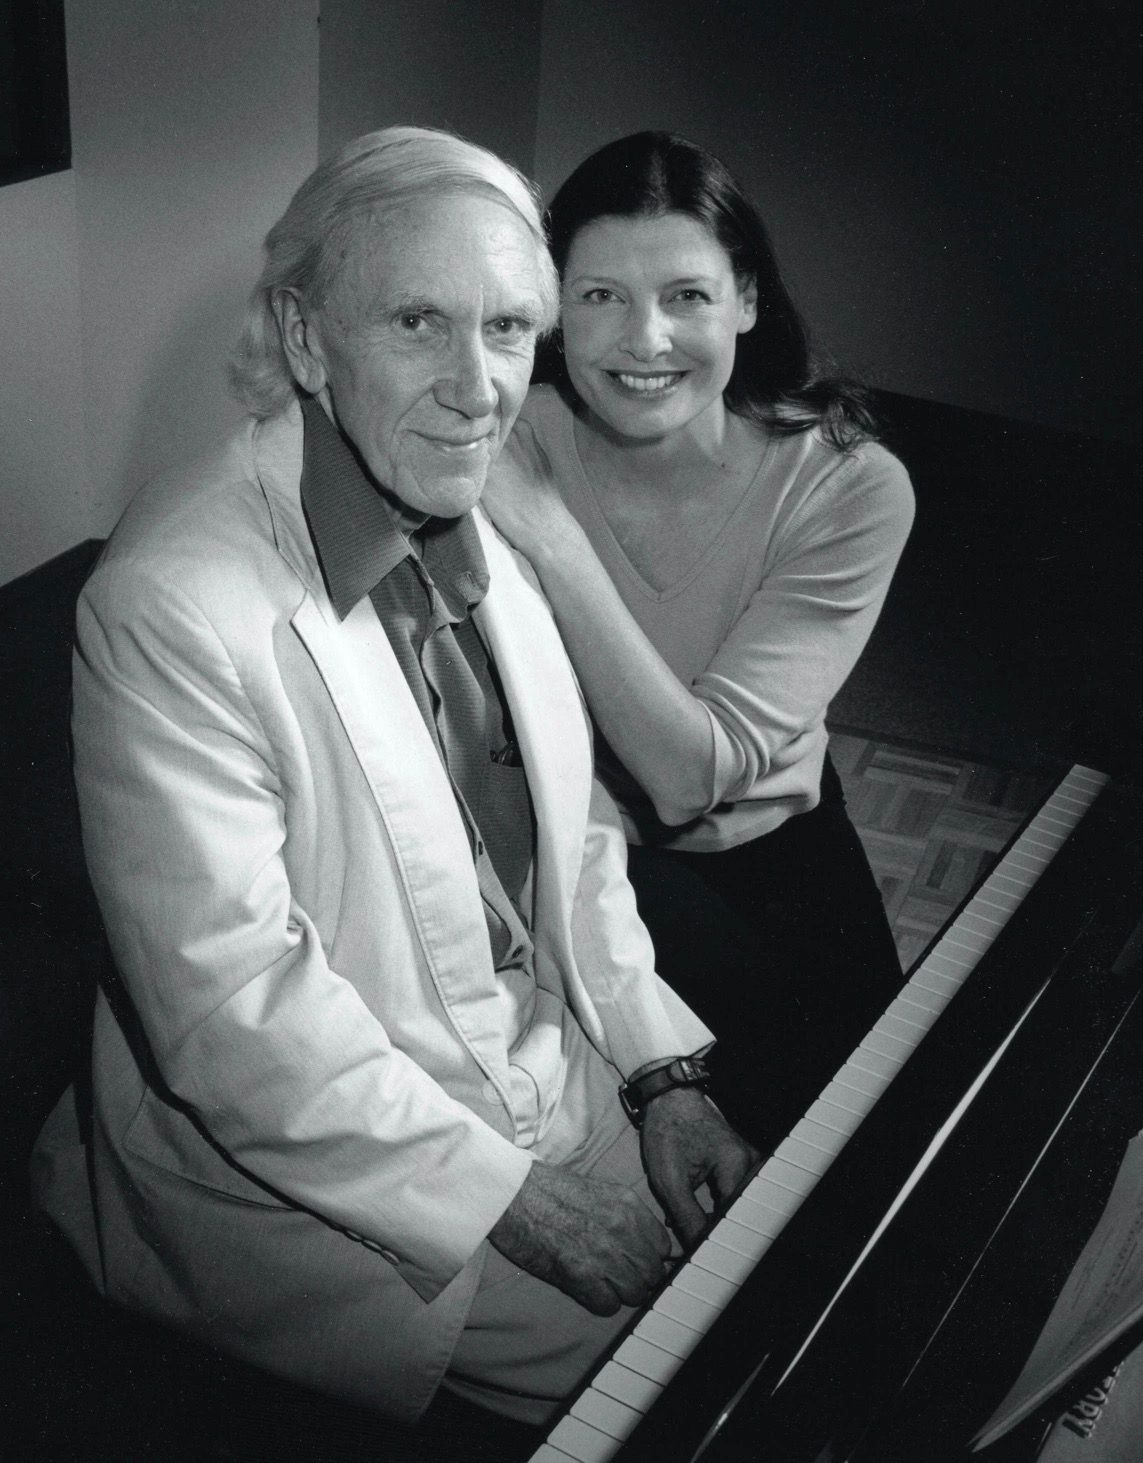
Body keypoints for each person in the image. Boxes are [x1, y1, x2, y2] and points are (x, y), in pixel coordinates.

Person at [31, 126, 757, 1440]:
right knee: (702, 1397)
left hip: (538, 1062)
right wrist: (517, 1200)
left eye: (507, 329)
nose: (478, 388)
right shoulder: (168, 605)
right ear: (306, 341)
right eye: (419, 322)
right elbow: (235, 1020)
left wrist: (663, 1071)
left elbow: (578, 834)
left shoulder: (477, 499)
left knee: (769, 1284)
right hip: (336, 1177)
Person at [483, 132, 916, 1155]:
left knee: (875, 1129)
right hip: (582, 853)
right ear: (552, 307)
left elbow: (691, 779)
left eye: (686, 295)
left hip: (775, 843)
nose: (645, 340)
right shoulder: (504, 430)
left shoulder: (848, 487)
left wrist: (553, 537)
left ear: (746, 301)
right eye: (599, 296)